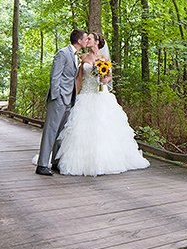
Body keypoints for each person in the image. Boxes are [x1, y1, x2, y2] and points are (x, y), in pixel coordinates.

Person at [54, 33, 150, 176]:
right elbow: (79, 78)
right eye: (86, 38)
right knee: (81, 129)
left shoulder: (104, 59)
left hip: (101, 95)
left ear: (97, 42)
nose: (87, 40)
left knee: (102, 127)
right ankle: (81, 161)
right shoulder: (84, 57)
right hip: (85, 95)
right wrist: (75, 94)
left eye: (90, 38)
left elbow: (109, 75)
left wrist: (106, 80)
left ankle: (104, 161)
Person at [36, 28, 88, 176]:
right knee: (50, 131)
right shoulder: (63, 53)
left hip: (68, 99)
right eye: (85, 38)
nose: (86, 41)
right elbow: (55, 77)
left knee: (61, 133)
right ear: (79, 40)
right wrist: (56, 96)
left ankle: (55, 162)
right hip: (58, 99)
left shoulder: (75, 55)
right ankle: (42, 164)